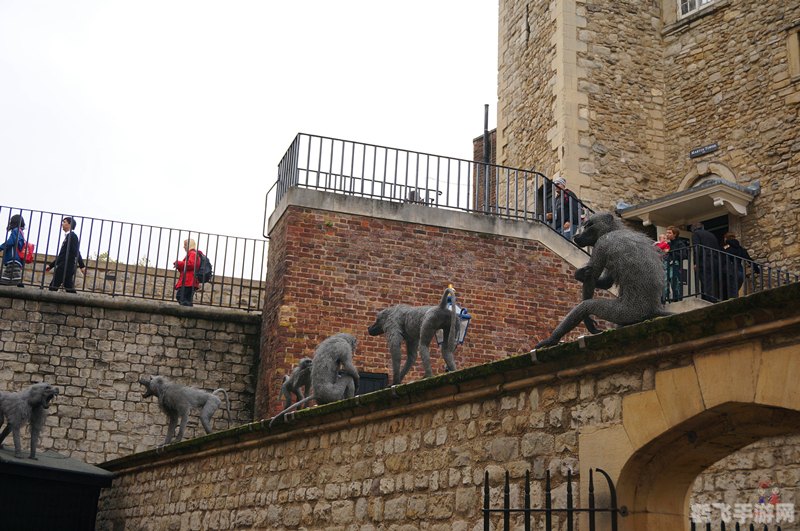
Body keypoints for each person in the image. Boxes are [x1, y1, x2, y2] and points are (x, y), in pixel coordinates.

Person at [46, 216, 86, 293]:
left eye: (64, 222)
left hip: (65, 266)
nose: (62, 224)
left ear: (70, 224)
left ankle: (47, 304)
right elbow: (62, 255)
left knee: (53, 286)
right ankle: (76, 303)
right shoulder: (68, 236)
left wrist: (82, 265)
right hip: (66, 265)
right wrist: (51, 265)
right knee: (68, 286)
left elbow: (76, 251)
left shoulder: (72, 236)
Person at [721, 232, 759, 299]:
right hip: (741, 272)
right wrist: (757, 269)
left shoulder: (725, 249)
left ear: (726, 238)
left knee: (731, 293)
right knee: (735, 291)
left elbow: (722, 259)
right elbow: (749, 259)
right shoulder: (741, 249)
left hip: (731, 271)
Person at [690, 222, 721, 302]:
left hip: (704, 260)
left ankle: (709, 300)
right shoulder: (711, 234)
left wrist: (695, 262)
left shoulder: (696, 234)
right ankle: (714, 298)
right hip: (715, 260)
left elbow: (697, 249)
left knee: (706, 281)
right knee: (713, 281)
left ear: (693, 229)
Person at [0, 214, 27, 287]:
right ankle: (15, 282)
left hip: (13, 257)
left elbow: (11, 242)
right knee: (11, 272)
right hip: (17, 258)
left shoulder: (16, 230)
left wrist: (1, 247)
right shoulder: (20, 232)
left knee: (12, 271)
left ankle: (17, 281)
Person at [665, 226, 688, 302]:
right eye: (667, 232)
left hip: (676, 265)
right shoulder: (667, 244)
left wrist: (670, 251)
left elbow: (684, 255)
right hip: (667, 265)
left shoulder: (680, 243)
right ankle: (665, 301)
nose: (667, 234)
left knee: (675, 284)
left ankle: (677, 301)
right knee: (665, 284)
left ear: (675, 234)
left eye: (669, 233)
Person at [173, 239, 199, 306]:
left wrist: (179, 263)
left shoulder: (192, 254)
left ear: (189, 245)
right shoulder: (193, 254)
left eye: (185, 245)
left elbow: (191, 264)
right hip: (190, 281)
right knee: (187, 299)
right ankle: (188, 313)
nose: (183, 247)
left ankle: (188, 311)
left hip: (188, 281)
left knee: (180, 296)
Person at [654, 233, 670, 303]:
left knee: (665, 280)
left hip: (663, 262)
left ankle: (664, 297)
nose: (666, 240)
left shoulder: (660, 244)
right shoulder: (658, 244)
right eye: (664, 238)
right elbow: (658, 249)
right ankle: (662, 298)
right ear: (661, 239)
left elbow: (666, 250)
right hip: (659, 263)